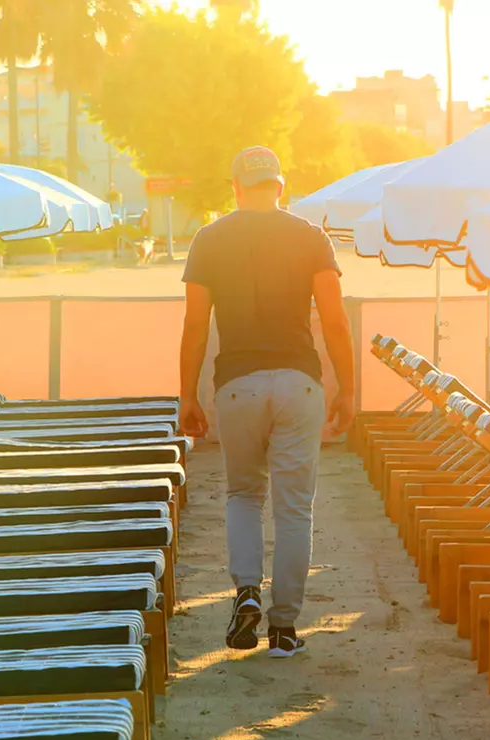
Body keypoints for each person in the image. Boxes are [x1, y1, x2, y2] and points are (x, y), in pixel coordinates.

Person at [178, 146, 354, 658]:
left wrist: (187, 395)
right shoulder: (310, 236)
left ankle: (247, 592)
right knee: (295, 509)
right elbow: (336, 321)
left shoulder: (208, 239)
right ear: (280, 187)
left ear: (235, 186)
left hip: (237, 384)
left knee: (244, 495)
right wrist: (349, 388)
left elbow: (194, 325)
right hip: (300, 384)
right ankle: (283, 630)